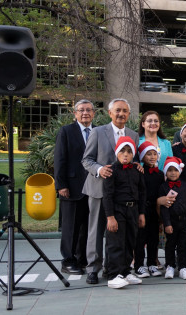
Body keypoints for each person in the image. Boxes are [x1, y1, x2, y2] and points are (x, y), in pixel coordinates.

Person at [81, 98, 139, 285]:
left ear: (128, 114)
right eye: (117, 110)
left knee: (117, 233)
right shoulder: (98, 132)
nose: (121, 114)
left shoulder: (133, 135)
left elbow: (131, 160)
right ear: (110, 113)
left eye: (124, 111)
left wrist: (137, 167)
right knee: (96, 230)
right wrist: (99, 169)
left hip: (122, 196)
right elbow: (87, 159)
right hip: (99, 190)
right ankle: (93, 269)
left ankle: (112, 268)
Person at [54, 99, 94, 275]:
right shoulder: (66, 131)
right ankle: (68, 260)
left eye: (88, 110)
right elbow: (59, 159)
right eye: (81, 110)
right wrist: (61, 184)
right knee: (71, 227)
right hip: (71, 187)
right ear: (75, 113)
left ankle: (82, 259)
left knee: (86, 226)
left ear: (93, 113)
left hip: (92, 188)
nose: (85, 113)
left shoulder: (97, 132)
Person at [102, 137, 145, 288]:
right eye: (122, 151)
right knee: (116, 242)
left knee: (129, 241)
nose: (125, 154)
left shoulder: (137, 171)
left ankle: (125, 271)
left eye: (129, 151)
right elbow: (107, 195)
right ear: (117, 152)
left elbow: (142, 192)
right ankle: (113, 274)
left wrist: (141, 213)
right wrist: (110, 217)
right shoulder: (111, 170)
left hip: (133, 210)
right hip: (117, 210)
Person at [159, 157, 186, 280]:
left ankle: (183, 267)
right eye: (170, 170)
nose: (173, 173)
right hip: (171, 222)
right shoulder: (163, 187)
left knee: (183, 245)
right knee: (170, 245)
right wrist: (167, 224)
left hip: (184, 221)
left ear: (180, 171)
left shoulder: (185, 186)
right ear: (165, 172)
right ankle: (170, 265)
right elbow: (164, 208)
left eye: (175, 170)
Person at [133, 141, 164, 278]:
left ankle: (152, 263)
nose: (152, 157)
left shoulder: (160, 174)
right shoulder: (139, 172)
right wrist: (141, 211)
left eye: (154, 154)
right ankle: (139, 265)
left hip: (154, 210)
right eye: (148, 154)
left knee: (153, 238)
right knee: (140, 238)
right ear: (143, 157)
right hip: (142, 209)